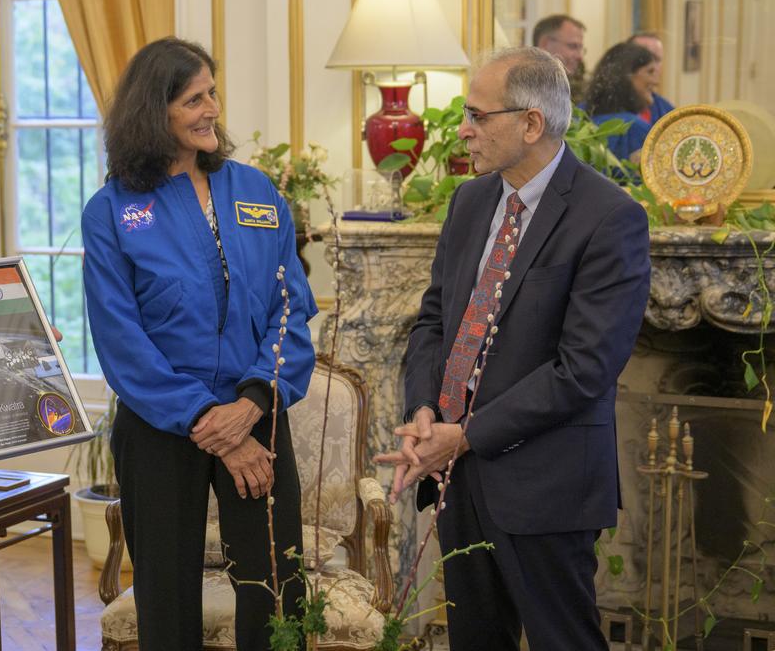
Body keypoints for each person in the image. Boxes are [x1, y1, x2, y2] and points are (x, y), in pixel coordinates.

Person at [375, 47, 650, 651]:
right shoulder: (470, 202)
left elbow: (584, 370)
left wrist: (467, 434)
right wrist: (424, 408)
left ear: (530, 123)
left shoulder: (610, 218)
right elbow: (434, 321)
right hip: (458, 477)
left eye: (478, 116)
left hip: (547, 486)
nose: (465, 130)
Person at [82, 37, 317, 650]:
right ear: (153, 112)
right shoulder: (110, 211)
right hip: (161, 427)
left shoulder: (258, 192)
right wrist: (204, 417)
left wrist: (249, 407)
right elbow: (119, 336)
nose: (212, 108)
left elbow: (291, 311)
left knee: (275, 589)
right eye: (194, 99)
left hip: (255, 412)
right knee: (166, 594)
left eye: (212, 93)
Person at [585, 41, 658, 162]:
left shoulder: (580, 119)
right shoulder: (635, 128)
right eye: (650, 72)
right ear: (627, 75)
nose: (656, 81)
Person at [532, 14, 587, 96]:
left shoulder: (580, 91)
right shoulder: (520, 88)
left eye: (580, 48)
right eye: (573, 46)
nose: (579, 57)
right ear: (545, 44)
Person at [628, 31, 675, 123]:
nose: (652, 67)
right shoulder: (609, 111)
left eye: (657, 60)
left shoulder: (666, 110)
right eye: (643, 60)